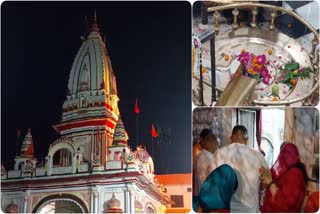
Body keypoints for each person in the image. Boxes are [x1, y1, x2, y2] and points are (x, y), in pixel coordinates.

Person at [207, 125, 268, 213]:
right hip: (249, 209)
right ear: (247, 139)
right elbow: (265, 181)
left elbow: (211, 183)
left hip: (226, 209)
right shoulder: (258, 156)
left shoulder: (218, 154)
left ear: (231, 138)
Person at [260, 142, 307, 212]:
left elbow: (285, 204)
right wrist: (266, 178)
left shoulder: (295, 173)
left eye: (285, 153)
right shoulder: (286, 170)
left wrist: (270, 182)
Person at [193, 133, 219, 211]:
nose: (218, 147)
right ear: (211, 144)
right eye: (217, 144)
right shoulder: (210, 160)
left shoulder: (199, 156)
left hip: (199, 198)